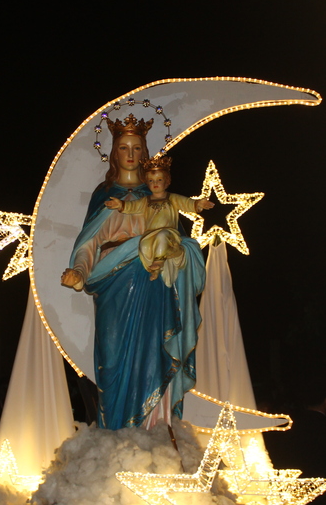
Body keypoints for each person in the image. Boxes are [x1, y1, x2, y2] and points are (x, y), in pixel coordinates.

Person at [60, 114, 206, 430]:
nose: (130, 155)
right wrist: (80, 272)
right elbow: (90, 241)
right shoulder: (104, 195)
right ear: (114, 153)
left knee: (152, 356)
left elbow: (177, 242)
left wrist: (179, 254)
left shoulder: (158, 197)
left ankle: (153, 428)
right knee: (111, 361)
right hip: (113, 285)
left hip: (153, 284)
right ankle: (115, 432)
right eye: (123, 147)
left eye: (137, 148)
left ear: (144, 153)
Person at [104, 156, 214, 286]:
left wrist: (198, 204)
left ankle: (160, 262)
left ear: (167, 182)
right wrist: (120, 204)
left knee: (162, 237)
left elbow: (187, 203)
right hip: (150, 234)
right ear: (147, 183)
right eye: (151, 181)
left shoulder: (171, 198)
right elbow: (132, 206)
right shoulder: (146, 201)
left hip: (169, 233)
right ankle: (154, 270)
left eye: (159, 180)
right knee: (144, 246)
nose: (155, 183)